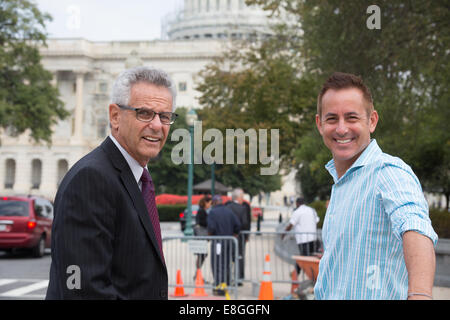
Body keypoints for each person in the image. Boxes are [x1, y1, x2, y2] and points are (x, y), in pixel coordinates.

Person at [46, 66, 178, 299]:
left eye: (164, 116)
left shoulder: (136, 177)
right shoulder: (91, 179)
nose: (157, 125)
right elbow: (81, 287)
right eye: (144, 113)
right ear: (115, 116)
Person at [313, 72, 438, 300]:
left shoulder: (388, 172)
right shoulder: (342, 186)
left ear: (371, 121)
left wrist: (420, 295)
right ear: (320, 124)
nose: (341, 129)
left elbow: (416, 229)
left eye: (352, 118)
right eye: (332, 119)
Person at [207, 195, 241, 288]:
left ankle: (219, 283)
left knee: (217, 263)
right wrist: (234, 234)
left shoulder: (212, 212)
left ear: (213, 202)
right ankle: (226, 282)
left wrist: (209, 236)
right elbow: (238, 225)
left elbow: (211, 227)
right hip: (229, 241)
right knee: (226, 262)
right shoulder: (229, 211)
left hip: (218, 241)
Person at [283, 197, 319, 275]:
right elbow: (316, 221)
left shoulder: (297, 212)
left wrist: (283, 234)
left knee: (304, 258)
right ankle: (297, 273)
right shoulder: (312, 210)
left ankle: (296, 273)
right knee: (309, 258)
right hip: (313, 238)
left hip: (303, 239)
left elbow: (291, 225)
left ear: (297, 203)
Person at [226, 188, 251, 285]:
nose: (243, 199)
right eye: (242, 197)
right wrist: (246, 234)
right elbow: (245, 223)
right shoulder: (242, 208)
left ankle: (228, 277)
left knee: (228, 256)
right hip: (239, 236)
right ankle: (239, 278)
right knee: (239, 256)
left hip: (228, 236)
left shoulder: (227, 207)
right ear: (239, 197)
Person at [194, 195, 212, 270]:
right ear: (205, 203)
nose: (210, 205)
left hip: (201, 235)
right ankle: (198, 273)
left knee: (202, 254)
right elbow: (202, 222)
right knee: (202, 254)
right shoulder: (201, 211)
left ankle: (198, 273)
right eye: (210, 203)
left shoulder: (202, 211)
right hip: (201, 235)